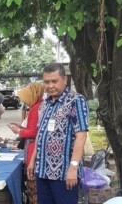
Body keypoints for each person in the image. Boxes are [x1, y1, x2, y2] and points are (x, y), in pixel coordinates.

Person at [27, 63, 89, 204]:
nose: (50, 86)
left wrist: (73, 168)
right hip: (42, 170)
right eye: (46, 82)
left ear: (65, 80)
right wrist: (32, 161)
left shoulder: (75, 100)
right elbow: (40, 134)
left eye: (54, 81)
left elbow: (81, 135)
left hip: (64, 173)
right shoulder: (44, 105)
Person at [8, 83, 44, 204]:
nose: (25, 102)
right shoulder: (39, 106)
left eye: (26, 98)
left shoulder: (36, 108)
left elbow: (34, 132)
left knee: (33, 188)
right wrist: (20, 127)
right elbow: (33, 128)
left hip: (33, 151)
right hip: (35, 150)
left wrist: (18, 131)